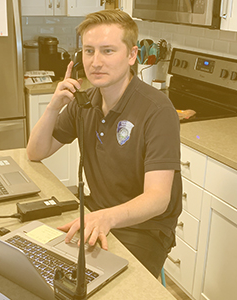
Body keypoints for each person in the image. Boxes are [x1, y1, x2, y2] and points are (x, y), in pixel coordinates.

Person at [26, 10, 181, 278]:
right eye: (88, 51)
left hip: (144, 228)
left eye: (108, 51)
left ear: (132, 55)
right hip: (96, 215)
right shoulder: (84, 102)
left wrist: (105, 217)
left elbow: (157, 199)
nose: (95, 62)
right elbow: (36, 152)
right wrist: (53, 107)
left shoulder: (157, 110)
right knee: (47, 268)